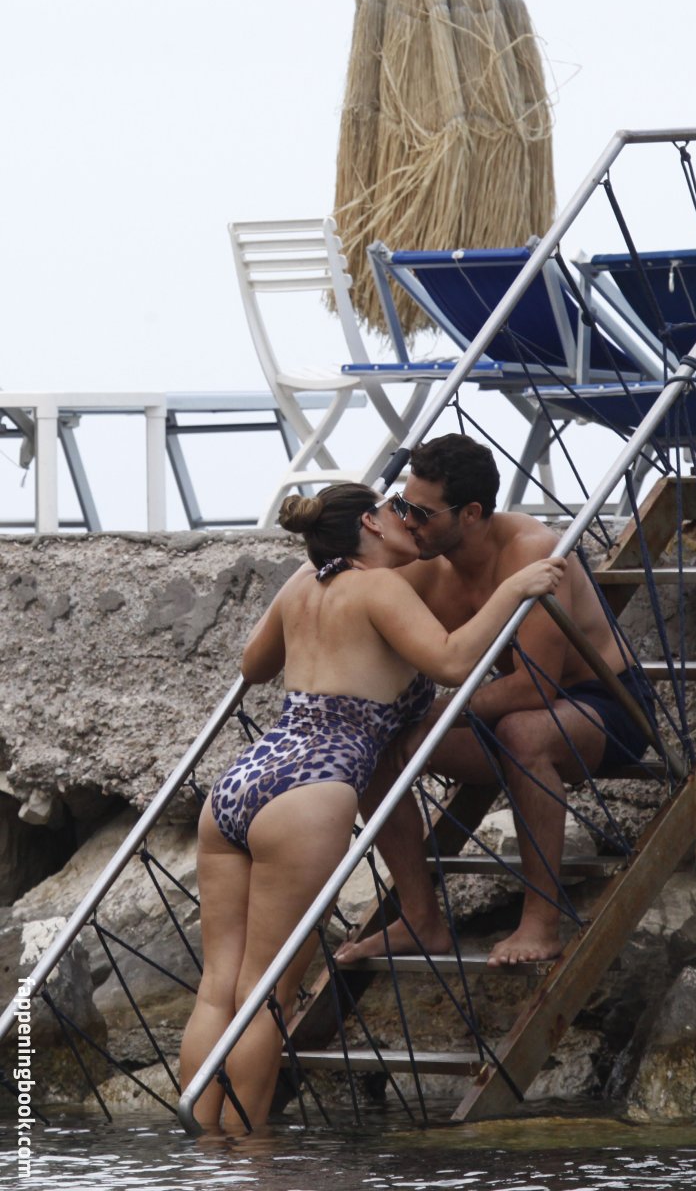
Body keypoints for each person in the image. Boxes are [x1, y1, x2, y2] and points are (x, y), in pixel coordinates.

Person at [178, 480, 565, 1132]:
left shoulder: (303, 583)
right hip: (310, 789)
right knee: (268, 994)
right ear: (370, 523)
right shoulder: (379, 587)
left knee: (220, 987)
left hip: (241, 783)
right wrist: (515, 588)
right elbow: (452, 661)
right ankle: (245, 1158)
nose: (406, 519)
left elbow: (254, 664)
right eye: (394, 509)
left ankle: (205, 1151)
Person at [335, 434, 653, 970]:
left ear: (472, 513)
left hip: (606, 702)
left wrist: (434, 717)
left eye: (422, 513)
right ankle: (419, 920)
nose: (408, 522)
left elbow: (535, 689)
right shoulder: (427, 563)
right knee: (373, 742)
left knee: (522, 731)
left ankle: (541, 921)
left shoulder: (531, 551)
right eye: (403, 506)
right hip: (509, 712)